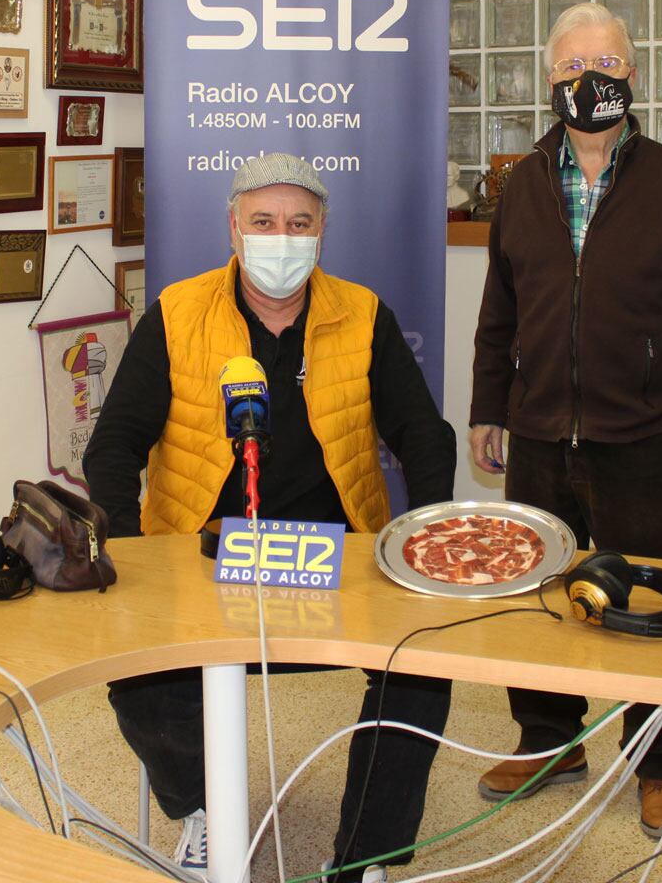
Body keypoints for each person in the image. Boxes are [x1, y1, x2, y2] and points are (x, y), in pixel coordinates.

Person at [85, 153, 456, 883]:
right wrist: (129, 561)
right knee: (134, 670)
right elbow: (113, 446)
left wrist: (429, 540)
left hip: (334, 562)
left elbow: (423, 434)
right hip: (201, 561)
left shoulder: (363, 314)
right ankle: (200, 811)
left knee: (423, 670)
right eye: (263, 222)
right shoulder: (178, 313)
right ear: (233, 227)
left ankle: (367, 857)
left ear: (322, 234)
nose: (279, 238)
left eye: (297, 223)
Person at [468, 2, 662, 839]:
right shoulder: (522, 182)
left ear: (632, 74)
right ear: (551, 81)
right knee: (541, 599)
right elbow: (500, 310)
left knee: (651, 611)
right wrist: (490, 408)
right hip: (542, 435)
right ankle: (551, 741)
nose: (590, 79)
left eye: (608, 64)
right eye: (572, 67)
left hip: (647, 443)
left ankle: (658, 764)